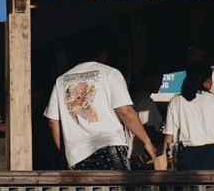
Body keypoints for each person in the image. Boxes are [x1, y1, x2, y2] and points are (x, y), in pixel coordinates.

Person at [45, 38, 158, 170]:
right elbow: (125, 111)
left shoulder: (61, 80)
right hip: (109, 148)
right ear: (103, 54)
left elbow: (52, 121)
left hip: (76, 157)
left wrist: (64, 153)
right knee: (116, 190)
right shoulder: (110, 73)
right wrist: (147, 141)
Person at [162, 63, 214, 170]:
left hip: (186, 156)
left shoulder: (175, 101)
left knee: (186, 186)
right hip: (212, 156)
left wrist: (165, 162)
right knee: (212, 186)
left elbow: (169, 137)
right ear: (207, 82)